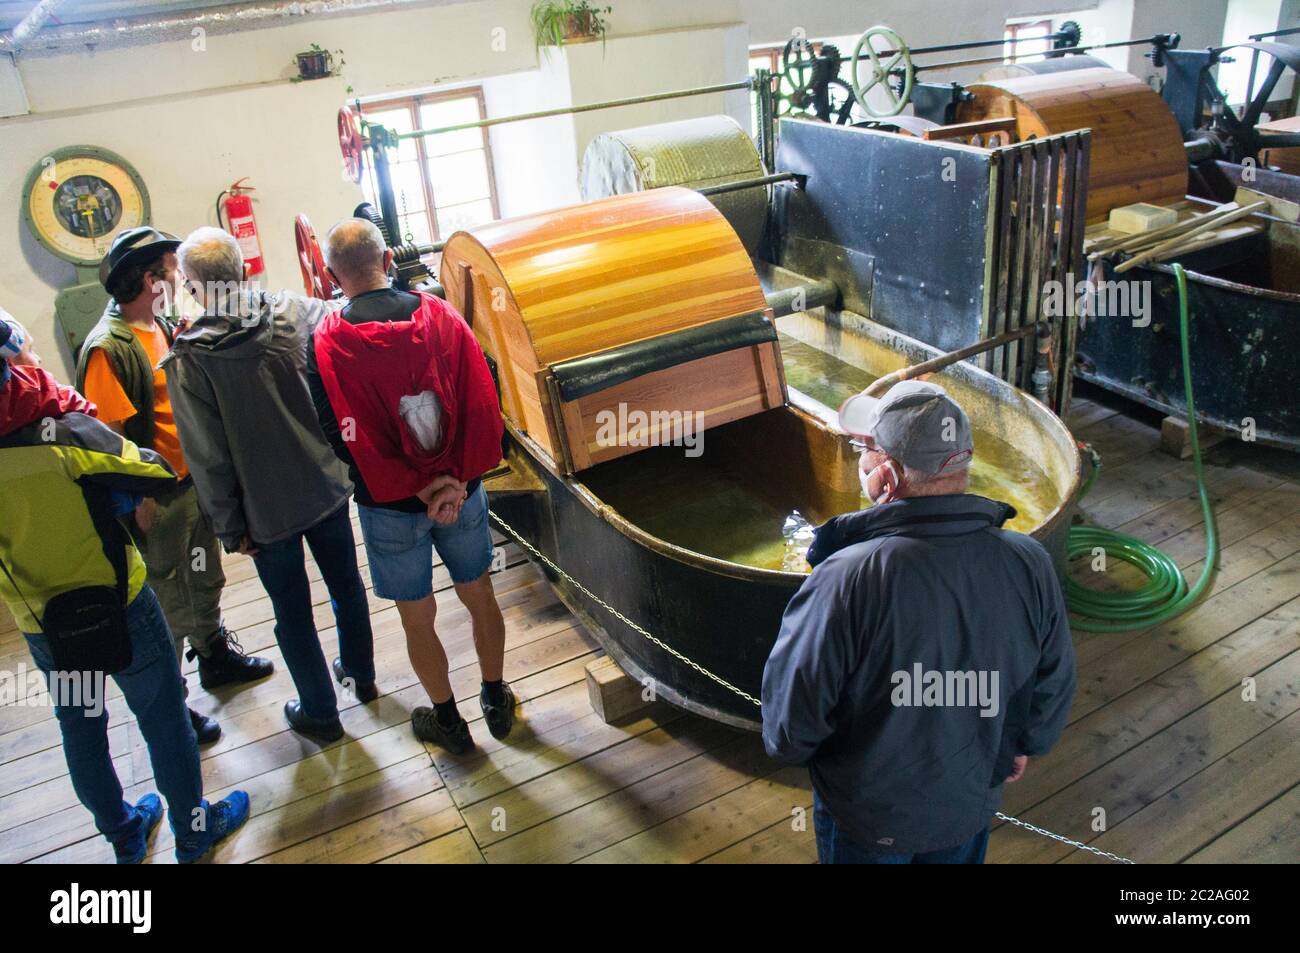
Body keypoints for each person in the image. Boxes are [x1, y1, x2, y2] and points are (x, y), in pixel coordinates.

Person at [761, 380, 1076, 864]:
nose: (860, 461)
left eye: (864, 450)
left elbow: (790, 726)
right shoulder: (1028, 561)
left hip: (869, 818)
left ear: (886, 476)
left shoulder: (844, 578)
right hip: (970, 803)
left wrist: (818, 759)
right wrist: (1023, 742)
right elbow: (1052, 678)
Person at [0, 320, 249, 864]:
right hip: (121, 600)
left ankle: (125, 835)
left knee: (82, 728)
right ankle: (192, 830)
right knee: (161, 717)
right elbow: (154, 470)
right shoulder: (60, 430)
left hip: (43, 622)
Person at [307, 218, 511, 754]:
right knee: (480, 594)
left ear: (331, 275)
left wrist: (411, 487)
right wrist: (456, 479)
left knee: (417, 616)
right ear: (389, 261)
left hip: (388, 504)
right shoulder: (441, 315)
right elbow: (481, 396)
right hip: (461, 492)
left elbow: (339, 432)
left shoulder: (327, 342)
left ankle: (448, 721)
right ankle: (496, 696)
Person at [164, 227, 376, 744]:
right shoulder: (296, 313)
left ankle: (321, 713)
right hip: (324, 487)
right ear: (241, 271)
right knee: (347, 587)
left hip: (263, 512)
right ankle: (361, 676)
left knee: (291, 611)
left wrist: (228, 526)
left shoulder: (191, 360)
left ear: (194, 288)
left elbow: (208, 457)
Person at [75, 227, 274, 746]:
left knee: (202, 578)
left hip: (190, 485)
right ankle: (174, 703)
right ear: (149, 278)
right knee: (167, 597)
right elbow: (108, 439)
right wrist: (134, 499)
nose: (179, 277)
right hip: (154, 500)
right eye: (172, 268)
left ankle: (214, 657)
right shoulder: (108, 348)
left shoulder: (158, 325)